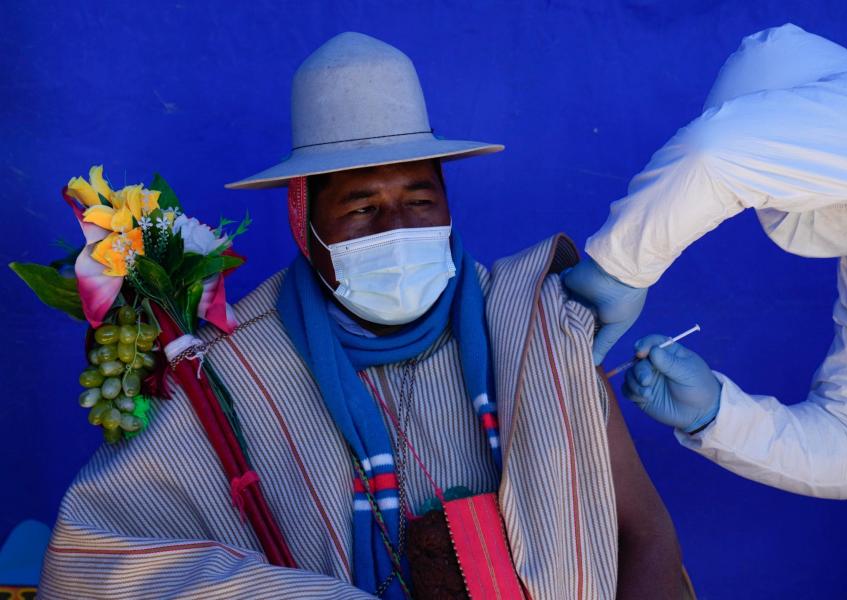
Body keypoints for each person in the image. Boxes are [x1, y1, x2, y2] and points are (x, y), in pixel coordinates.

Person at [40, 32, 685, 598]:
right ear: (305, 221)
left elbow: (644, 534)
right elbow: (92, 563)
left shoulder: (532, 329)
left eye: (420, 198)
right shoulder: (231, 377)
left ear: (449, 206)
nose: (399, 228)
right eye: (362, 208)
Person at [564, 24, 847, 499]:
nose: (782, 218)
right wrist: (716, 415)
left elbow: (715, 154)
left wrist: (618, 268)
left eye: (783, 186)